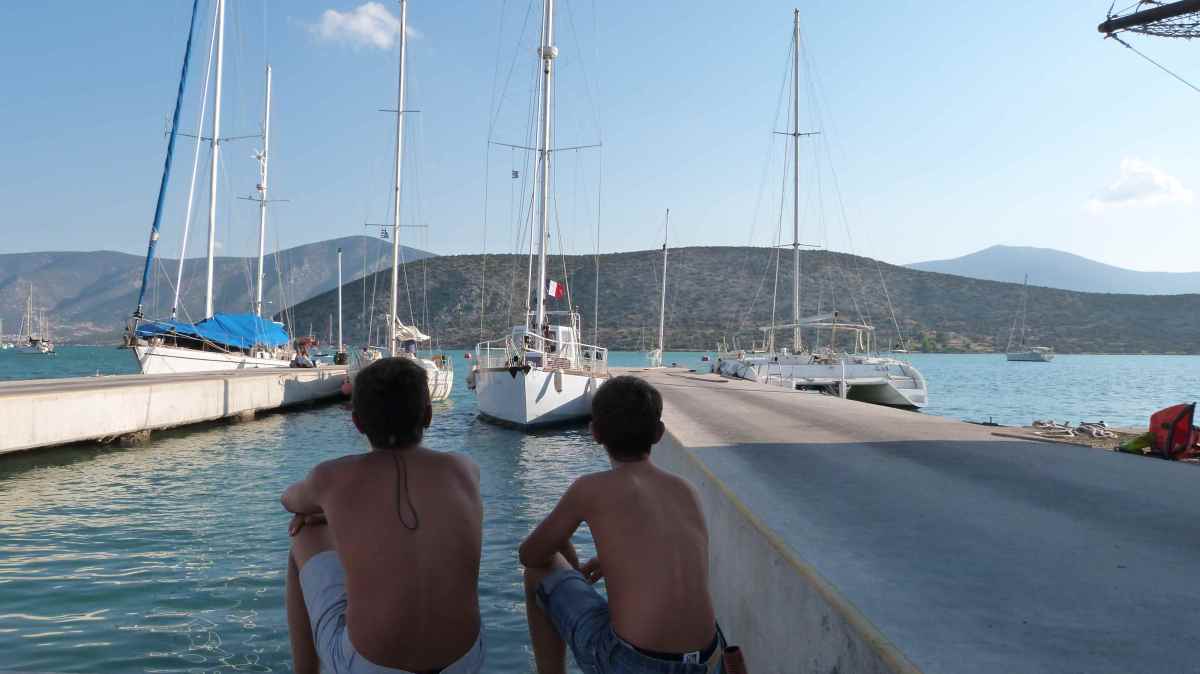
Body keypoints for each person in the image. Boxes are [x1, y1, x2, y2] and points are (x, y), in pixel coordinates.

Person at [282, 357, 485, 674]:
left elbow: (290, 500)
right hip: (464, 660)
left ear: (357, 423)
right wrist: (337, 511)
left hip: (371, 664)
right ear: (428, 415)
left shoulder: (332, 477)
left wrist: (329, 508)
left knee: (303, 533)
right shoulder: (464, 470)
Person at [519, 376, 724, 674]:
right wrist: (614, 559)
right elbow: (673, 550)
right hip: (709, 660)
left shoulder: (589, 488)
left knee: (538, 573)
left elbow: (530, 555)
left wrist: (566, 554)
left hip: (634, 663)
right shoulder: (686, 490)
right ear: (659, 433)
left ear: (595, 432)